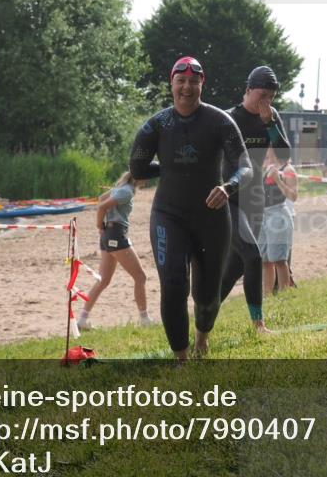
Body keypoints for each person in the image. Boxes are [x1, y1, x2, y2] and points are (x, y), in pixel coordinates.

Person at [128, 56, 252, 360]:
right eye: (180, 81)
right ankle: (181, 358)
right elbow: (137, 169)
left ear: (201, 84)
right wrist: (171, 168)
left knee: (207, 295)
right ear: (171, 84)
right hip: (168, 215)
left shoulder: (219, 121)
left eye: (193, 81)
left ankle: (201, 338)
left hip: (212, 217)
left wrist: (228, 187)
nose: (187, 87)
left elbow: (246, 167)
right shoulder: (156, 125)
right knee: (173, 283)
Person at [220, 65, 291, 334]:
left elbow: (284, 157)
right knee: (253, 255)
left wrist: (270, 124)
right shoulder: (229, 117)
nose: (266, 102)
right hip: (229, 197)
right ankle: (258, 324)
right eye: (262, 95)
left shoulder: (271, 117)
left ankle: (207, 309)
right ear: (248, 90)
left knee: (237, 266)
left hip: (255, 198)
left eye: (271, 97)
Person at [77, 172, 154, 330]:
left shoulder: (121, 188)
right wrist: (99, 225)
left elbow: (101, 198)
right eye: (147, 175)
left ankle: (82, 319)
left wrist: (103, 227)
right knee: (140, 277)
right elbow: (102, 206)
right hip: (116, 235)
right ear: (139, 176)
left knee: (103, 280)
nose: (148, 179)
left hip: (109, 235)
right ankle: (144, 319)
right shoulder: (126, 191)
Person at [260, 149, 297, 293]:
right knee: (265, 260)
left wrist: (278, 180)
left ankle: (284, 294)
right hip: (263, 215)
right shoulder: (265, 166)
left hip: (279, 214)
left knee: (279, 259)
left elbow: (293, 196)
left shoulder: (287, 169)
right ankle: (267, 295)